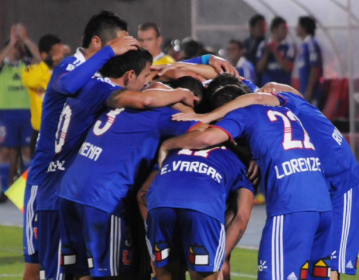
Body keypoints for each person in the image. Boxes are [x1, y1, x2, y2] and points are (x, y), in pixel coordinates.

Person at [174, 81, 359, 279]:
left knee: (326, 266)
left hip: (339, 186)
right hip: (319, 193)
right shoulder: (287, 105)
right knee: (318, 270)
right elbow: (246, 84)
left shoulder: (250, 109)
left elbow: (214, 131)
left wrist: (206, 117)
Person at [57, 55, 200, 277]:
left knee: (80, 273)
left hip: (69, 191)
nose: (146, 82)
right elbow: (207, 132)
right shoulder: (163, 114)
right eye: (145, 76)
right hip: (101, 199)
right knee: (108, 274)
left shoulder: (118, 101)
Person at [22, 10, 138, 280]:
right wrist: (109, 52)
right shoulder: (70, 66)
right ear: (98, 43)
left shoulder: (100, 78)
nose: (121, 51)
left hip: (74, 188)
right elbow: (70, 84)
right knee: (35, 268)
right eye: (118, 44)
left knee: (79, 269)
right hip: (46, 183)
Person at [145, 145, 254, 280]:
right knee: (204, 275)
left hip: (159, 203)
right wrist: (218, 259)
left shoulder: (176, 151)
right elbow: (241, 216)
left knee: (166, 274)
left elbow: (142, 194)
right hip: (202, 204)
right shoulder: (242, 164)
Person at [0, 24, 40, 202]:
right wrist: (11, 42)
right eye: (15, 45)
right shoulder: (3, 66)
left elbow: (41, 59)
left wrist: (24, 39)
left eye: (20, 46)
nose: (18, 47)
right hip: (6, 115)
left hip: (26, 114)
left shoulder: (28, 65)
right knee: (7, 153)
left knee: (26, 151)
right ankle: (4, 189)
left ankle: (24, 191)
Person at [22, 34, 66, 156]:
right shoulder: (31, 71)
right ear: (44, 56)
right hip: (40, 135)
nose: (61, 56)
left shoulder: (66, 72)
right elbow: (30, 81)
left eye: (62, 52)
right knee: (38, 174)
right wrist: (46, 64)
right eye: (57, 52)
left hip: (63, 134)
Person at [256, 17, 295, 86]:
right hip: (267, 88)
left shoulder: (289, 46)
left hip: (283, 87)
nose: (286, 31)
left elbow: (287, 68)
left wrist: (275, 52)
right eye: (283, 28)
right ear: (275, 29)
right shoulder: (263, 45)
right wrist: (267, 54)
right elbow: (259, 69)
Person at [296, 16, 323, 106]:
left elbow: (315, 67)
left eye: (298, 25)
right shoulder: (304, 45)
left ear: (303, 28)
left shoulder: (311, 44)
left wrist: (309, 90)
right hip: (305, 91)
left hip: (312, 93)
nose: (296, 28)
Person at [243, 14, 266, 86]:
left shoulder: (265, 44)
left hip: (260, 81)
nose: (263, 29)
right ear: (252, 28)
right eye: (260, 26)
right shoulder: (246, 43)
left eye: (264, 26)